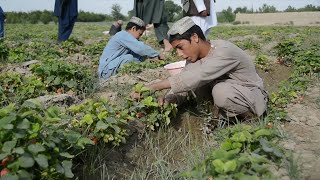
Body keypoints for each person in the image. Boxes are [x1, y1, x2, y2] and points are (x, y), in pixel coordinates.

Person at [145, 17, 268, 120]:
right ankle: (219, 116)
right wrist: (170, 98)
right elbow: (185, 80)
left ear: (194, 38)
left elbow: (197, 76)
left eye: (180, 47)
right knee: (199, 85)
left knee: (221, 91)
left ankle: (250, 119)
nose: (179, 54)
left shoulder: (224, 51)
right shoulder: (194, 58)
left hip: (250, 96)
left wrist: (154, 87)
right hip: (227, 100)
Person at [98, 17, 164, 80]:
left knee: (137, 56)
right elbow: (140, 48)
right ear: (133, 28)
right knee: (130, 57)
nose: (139, 37)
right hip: (105, 71)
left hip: (111, 67)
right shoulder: (123, 35)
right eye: (140, 34)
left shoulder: (125, 36)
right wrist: (156, 54)